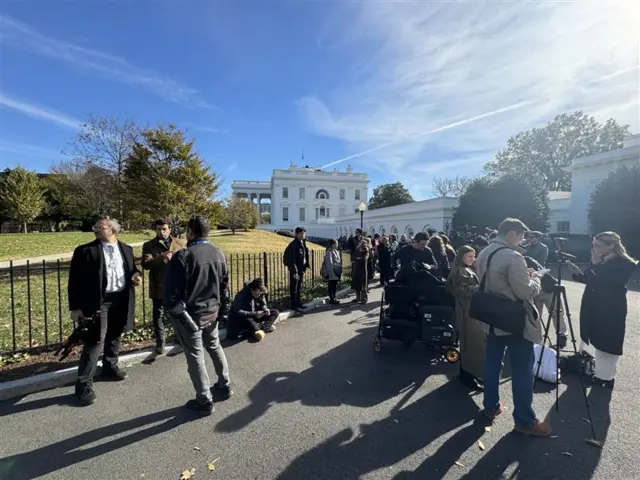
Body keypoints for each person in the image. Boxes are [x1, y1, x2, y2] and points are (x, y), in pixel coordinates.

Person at [475, 218, 550, 436]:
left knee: (491, 364)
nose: (522, 241)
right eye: (521, 236)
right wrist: (535, 279)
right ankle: (525, 420)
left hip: (490, 316)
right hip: (513, 319)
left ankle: (490, 407)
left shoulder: (484, 251)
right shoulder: (513, 256)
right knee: (522, 370)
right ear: (512, 234)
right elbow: (526, 292)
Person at [68, 217, 142, 406]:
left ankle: (110, 366)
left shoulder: (126, 249)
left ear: (112, 230)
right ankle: (83, 385)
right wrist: (75, 307)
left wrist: (136, 275)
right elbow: (74, 281)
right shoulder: (85, 251)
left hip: (120, 299)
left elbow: (134, 269)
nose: (95, 230)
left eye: (99, 227)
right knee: (95, 341)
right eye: (95, 227)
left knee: (115, 335)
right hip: (97, 303)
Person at [164, 216, 232, 415]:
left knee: (195, 356)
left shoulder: (184, 256)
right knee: (214, 346)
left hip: (191, 316)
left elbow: (172, 297)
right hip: (212, 311)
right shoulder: (219, 254)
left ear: (190, 233)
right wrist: (221, 310)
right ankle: (225, 384)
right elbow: (224, 287)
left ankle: (204, 399)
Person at [567, 232, 638, 388]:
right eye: (593, 245)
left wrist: (596, 264)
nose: (594, 248)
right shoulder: (600, 260)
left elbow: (609, 283)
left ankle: (605, 378)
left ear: (611, 246)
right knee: (590, 337)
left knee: (608, 340)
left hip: (611, 308)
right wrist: (577, 273)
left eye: (598, 245)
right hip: (593, 304)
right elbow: (590, 279)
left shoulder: (625, 263)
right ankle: (590, 369)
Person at [141, 219, 186, 354]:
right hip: (158, 286)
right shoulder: (149, 245)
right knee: (158, 315)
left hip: (177, 286)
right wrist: (162, 257)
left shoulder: (180, 243)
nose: (161, 232)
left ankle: (179, 338)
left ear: (170, 229)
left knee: (178, 313)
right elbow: (146, 264)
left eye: (164, 229)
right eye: (159, 229)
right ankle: (160, 343)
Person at [446, 245, 484, 391]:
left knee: (472, 345)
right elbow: (459, 290)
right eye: (468, 256)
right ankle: (467, 376)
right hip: (465, 311)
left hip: (470, 310)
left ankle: (470, 374)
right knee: (469, 344)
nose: (472, 259)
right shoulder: (458, 270)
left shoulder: (466, 269)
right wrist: (479, 288)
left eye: (473, 256)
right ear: (461, 256)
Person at [284, 227, 310, 313]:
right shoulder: (294, 244)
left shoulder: (302, 243)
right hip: (295, 270)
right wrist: (294, 272)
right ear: (297, 234)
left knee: (298, 287)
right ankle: (294, 306)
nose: (303, 235)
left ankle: (298, 303)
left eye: (304, 233)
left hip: (301, 269)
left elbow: (304, 255)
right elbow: (291, 259)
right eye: (302, 233)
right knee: (294, 288)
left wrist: (306, 265)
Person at [323, 239, 342, 304]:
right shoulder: (329, 252)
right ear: (332, 244)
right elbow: (329, 264)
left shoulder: (336, 251)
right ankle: (332, 298)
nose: (337, 245)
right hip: (332, 271)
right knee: (331, 285)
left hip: (336, 271)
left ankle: (334, 297)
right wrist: (331, 274)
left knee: (334, 285)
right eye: (336, 244)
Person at [351, 239, 370, 304]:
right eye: (361, 243)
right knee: (356, 285)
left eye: (363, 244)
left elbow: (364, 259)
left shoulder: (366, 252)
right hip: (356, 269)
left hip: (362, 271)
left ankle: (364, 298)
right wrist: (357, 258)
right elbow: (352, 257)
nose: (361, 245)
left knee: (363, 285)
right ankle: (357, 298)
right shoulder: (356, 251)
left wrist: (357, 258)